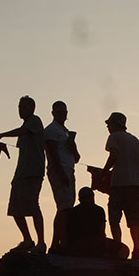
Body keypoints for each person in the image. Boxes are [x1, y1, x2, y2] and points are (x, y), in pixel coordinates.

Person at [0, 95, 46, 254]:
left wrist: (2, 134)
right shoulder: (25, 127)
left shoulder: (35, 121)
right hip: (21, 172)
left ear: (32, 108)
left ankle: (41, 242)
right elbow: (22, 145)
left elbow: (22, 132)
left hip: (33, 172)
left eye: (23, 107)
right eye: (19, 107)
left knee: (33, 205)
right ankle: (28, 240)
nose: (20, 110)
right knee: (15, 208)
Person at [102, 112, 139, 260]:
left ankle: (118, 248)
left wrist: (104, 172)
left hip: (119, 183)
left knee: (114, 218)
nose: (107, 126)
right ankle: (136, 249)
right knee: (134, 220)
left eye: (109, 124)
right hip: (135, 183)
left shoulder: (114, 137)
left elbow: (113, 155)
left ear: (116, 124)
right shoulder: (135, 140)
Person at [44, 101, 81, 252]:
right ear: (53, 113)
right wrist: (61, 174)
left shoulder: (65, 132)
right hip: (59, 170)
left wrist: (72, 147)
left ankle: (59, 242)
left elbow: (77, 158)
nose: (61, 114)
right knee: (64, 207)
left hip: (69, 169)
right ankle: (58, 243)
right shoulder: (51, 130)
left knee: (66, 208)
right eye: (58, 112)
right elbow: (52, 155)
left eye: (63, 112)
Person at [65, 186, 129, 258]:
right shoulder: (99, 210)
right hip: (95, 243)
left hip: (78, 245)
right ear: (92, 197)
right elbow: (102, 231)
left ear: (79, 199)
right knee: (124, 250)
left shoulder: (72, 211)